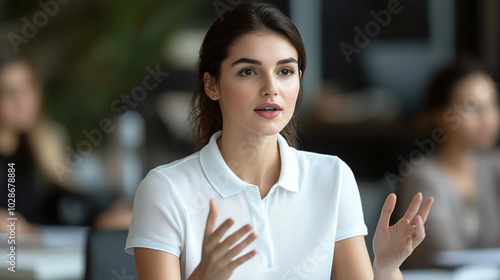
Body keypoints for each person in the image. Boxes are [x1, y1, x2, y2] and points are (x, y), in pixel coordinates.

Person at [125, 3, 433, 279]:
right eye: (248, 72)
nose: (271, 88)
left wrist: (386, 267)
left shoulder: (333, 178)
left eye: (285, 71)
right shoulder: (165, 189)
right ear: (212, 85)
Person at [397, 58, 500, 269]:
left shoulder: (494, 166)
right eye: (472, 107)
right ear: (440, 115)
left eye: (492, 104)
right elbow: (444, 254)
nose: (487, 118)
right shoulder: (423, 176)